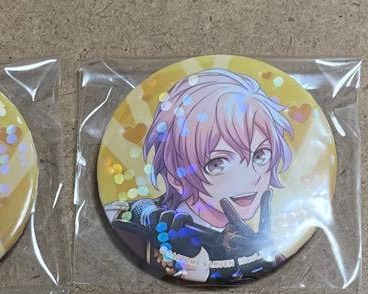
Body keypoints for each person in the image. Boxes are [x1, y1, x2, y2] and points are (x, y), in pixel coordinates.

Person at [106, 68, 295, 282]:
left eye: (260, 155)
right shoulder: (134, 225)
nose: (251, 177)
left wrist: (263, 256)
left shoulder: (253, 241)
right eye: (217, 163)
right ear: (176, 176)